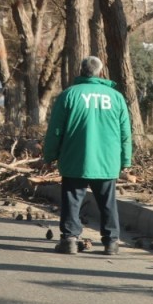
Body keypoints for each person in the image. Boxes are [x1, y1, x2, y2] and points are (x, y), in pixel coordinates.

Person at [42, 55, 132, 256]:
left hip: (75, 158)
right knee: (107, 201)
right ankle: (111, 242)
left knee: (72, 200)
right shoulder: (116, 97)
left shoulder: (69, 95)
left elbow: (55, 129)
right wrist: (126, 160)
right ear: (100, 72)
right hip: (107, 160)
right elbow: (126, 132)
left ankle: (70, 240)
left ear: (81, 70)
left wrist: (49, 156)